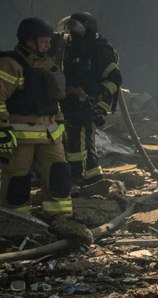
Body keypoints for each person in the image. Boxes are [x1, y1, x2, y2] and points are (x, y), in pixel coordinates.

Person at [0, 18, 74, 216]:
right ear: (29, 41)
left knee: (60, 173)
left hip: (50, 132)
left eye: (49, 41)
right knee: (17, 180)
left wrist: (60, 122)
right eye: (44, 41)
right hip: (20, 135)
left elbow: (54, 98)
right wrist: (3, 129)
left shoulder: (48, 65)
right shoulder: (11, 64)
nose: (48, 45)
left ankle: (60, 217)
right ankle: (17, 219)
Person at [58, 12, 122, 187]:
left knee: (80, 141)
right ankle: (85, 176)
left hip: (86, 103)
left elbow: (114, 79)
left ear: (88, 29)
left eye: (76, 28)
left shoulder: (100, 49)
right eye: (71, 28)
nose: (73, 33)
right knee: (71, 141)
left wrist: (98, 102)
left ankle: (83, 178)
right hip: (67, 101)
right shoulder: (69, 47)